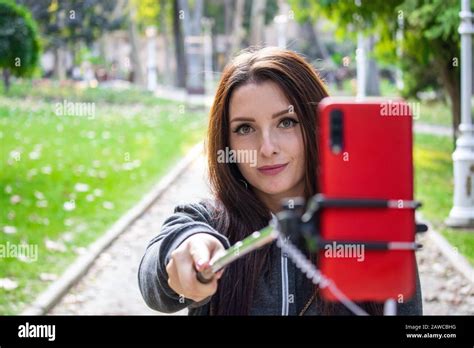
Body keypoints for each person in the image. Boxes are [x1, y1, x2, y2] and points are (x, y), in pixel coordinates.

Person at [138, 46, 423, 316]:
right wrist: (189, 252)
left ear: (315, 126)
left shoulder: (371, 224)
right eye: (245, 128)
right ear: (226, 141)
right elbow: (157, 277)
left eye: (286, 122)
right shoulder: (207, 220)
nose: (267, 148)